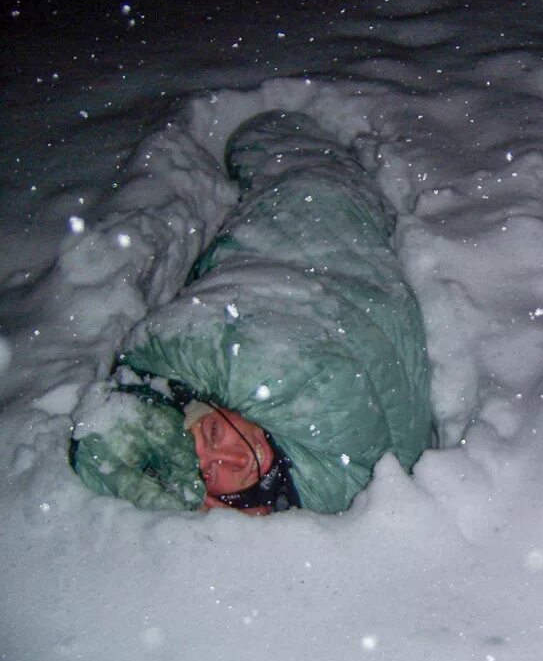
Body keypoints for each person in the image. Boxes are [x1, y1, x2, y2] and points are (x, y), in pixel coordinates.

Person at [71, 111, 434, 514]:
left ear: (221, 401)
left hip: (296, 236)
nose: (234, 459)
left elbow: (215, 343)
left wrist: (140, 396)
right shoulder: (331, 481)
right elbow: (328, 383)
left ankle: (277, 135)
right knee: (309, 179)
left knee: (300, 178)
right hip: (335, 256)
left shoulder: (257, 386)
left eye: (214, 433)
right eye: (210, 475)